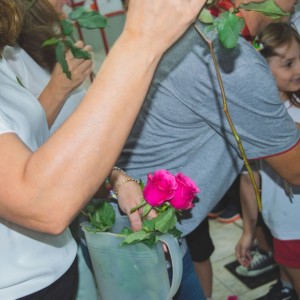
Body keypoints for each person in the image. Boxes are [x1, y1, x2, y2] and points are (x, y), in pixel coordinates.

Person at [0, 0, 205, 299]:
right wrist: (140, 40)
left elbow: (38, 152)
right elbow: (43, 205)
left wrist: (116, 178)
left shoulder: (5, 62)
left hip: (59, 265)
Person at [116, 0, 300, 299]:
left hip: (159, 232)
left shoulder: (202, 32)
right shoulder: (233, 59)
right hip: (136, 239)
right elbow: (295, 169)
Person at [235, 22, 300, 299]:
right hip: (285, 227)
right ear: (260, 70)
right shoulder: (257, 119)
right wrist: (249, 231)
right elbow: (249, 180)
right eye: (288, 64)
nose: (299, 69)